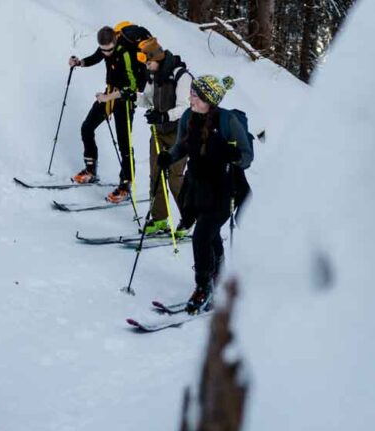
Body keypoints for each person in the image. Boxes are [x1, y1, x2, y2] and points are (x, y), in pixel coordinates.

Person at [158, 74, 253, 313]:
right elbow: (182, 146)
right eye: (191, 92)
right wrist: (169, 157)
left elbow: (247, 156)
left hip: (223, 189)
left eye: (195, 95)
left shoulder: (227, 121)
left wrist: (231, 155)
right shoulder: (188, 117)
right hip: (197, 188)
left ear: (209, 100)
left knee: (200, 236)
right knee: (209, 236)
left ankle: (203, 287)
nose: (190, 97)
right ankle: (217, 276)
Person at [68, 23, 149, 202]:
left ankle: (125, 185)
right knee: (87, 127)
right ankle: (90, 170)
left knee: (124, 144)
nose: (106, 53)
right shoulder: (105, 48)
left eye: (109, 50)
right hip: (110, 94)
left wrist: (108, 97)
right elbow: (96, 57)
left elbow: (133, 86)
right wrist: (79, 63)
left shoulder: (126, 53)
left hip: (124, 99)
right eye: (104, 49)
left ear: (115, 41)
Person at [135, 36, 192, 236]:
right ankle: (160, 219)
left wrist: (163, 115)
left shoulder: (181, 76)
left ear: (157, 58)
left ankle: (188, 219)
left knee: (175, 177)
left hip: (179, 133)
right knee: (156, 175)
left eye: (148, 63)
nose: (147, 67)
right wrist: (132, 96)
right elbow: (148, 100)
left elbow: (185, 108)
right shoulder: (153, 75)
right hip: (158, 132)